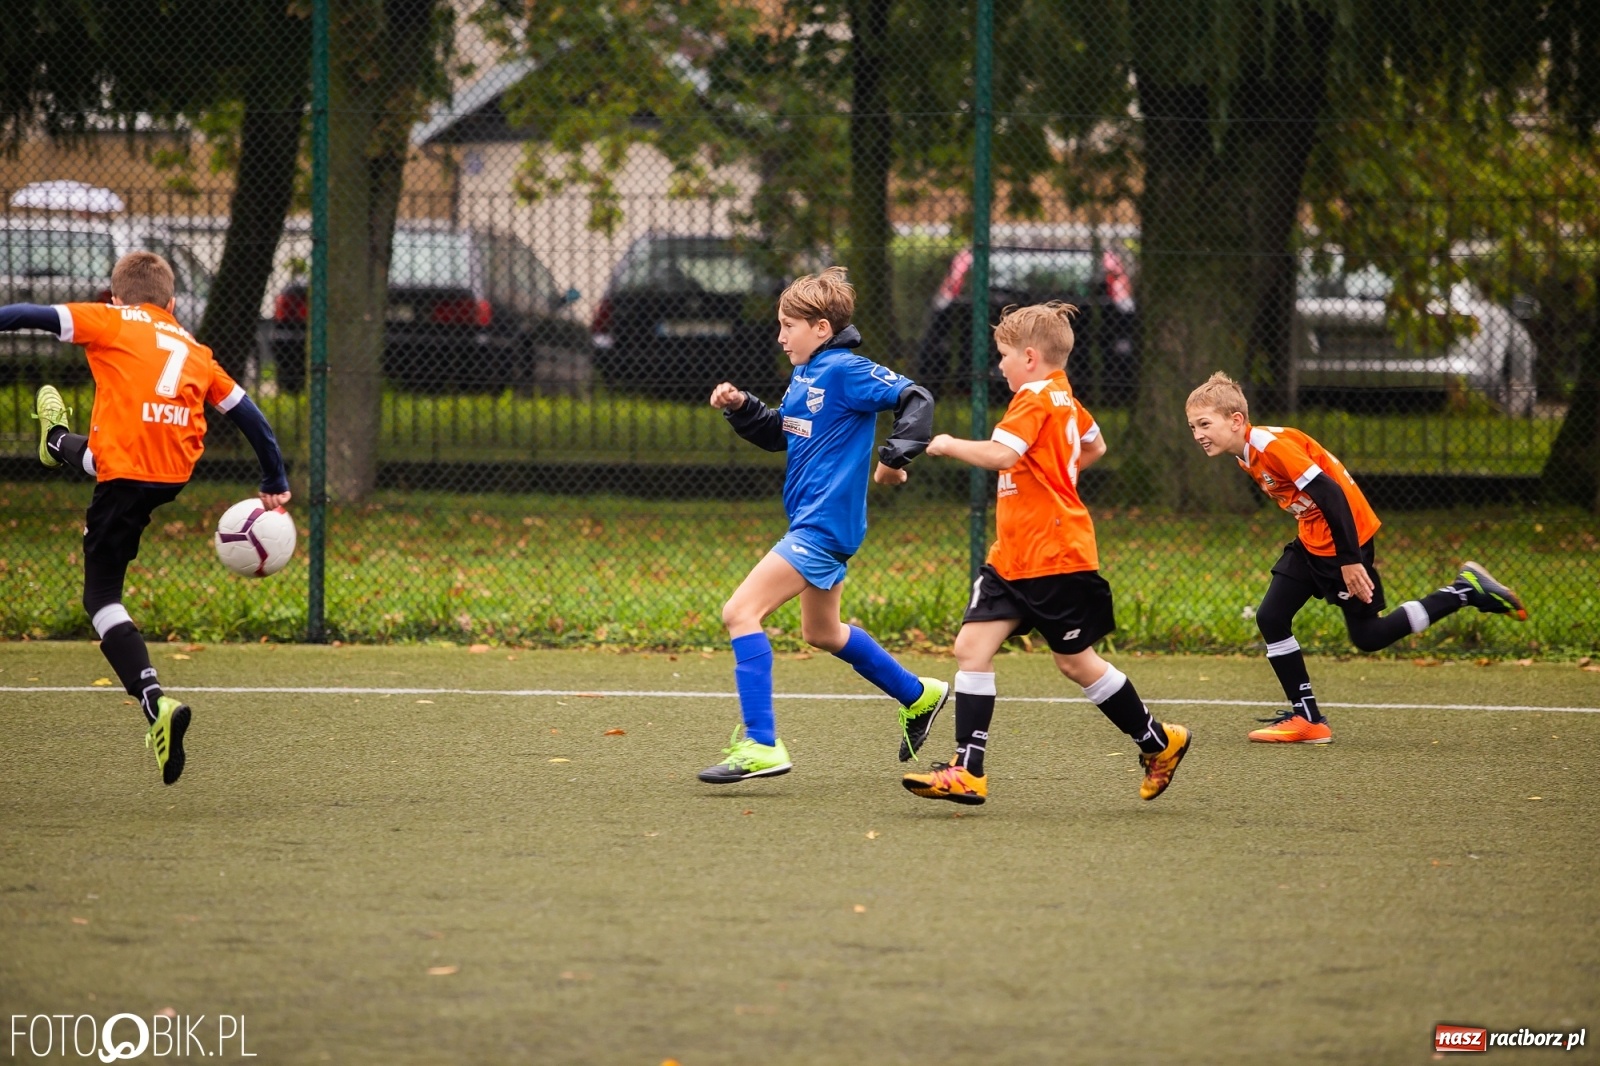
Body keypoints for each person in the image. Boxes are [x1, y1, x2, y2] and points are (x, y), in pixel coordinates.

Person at [0, 251, 290, 784]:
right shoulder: (196, 349)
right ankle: (57, 441)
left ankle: (155, 702)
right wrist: (274, 479)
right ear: (173, 303)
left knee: (101, 598)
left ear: (116, 298)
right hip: (172, 472)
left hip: (127, 472)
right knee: (112, 453)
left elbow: (28, 313)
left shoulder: (107, 318)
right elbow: (250, 416)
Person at [904, 303, 1191, 806]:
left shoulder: (1034, 399)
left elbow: (1002, 456)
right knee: (972, 648)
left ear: (1030, 357)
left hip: (1053, 555)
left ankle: (1158, 742)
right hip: (1013, 557)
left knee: (1076, 663)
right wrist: (1057, 473)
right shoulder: (1066, 398)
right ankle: (968, 769)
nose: (999, 366)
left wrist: (947, 444)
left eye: (1004, 356)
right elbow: (1094, 447)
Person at [700, 266, 948, 783]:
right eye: (780, 324)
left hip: (821, 527)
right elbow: (781, 435)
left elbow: (915, 397)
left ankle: (762, 743)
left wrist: (894, 457)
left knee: (740, 611)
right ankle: (916, 693)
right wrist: (743, 406)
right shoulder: (807, 375)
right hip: (819, 527)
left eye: (788, 325)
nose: (780, 335)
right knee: (823, 632)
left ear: (821, 328)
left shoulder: (843, 370)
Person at [1185, 371, 1527, 744]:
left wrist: (1351, 561)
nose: (1198, 434)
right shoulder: (1247, 452)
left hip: (1342, 544)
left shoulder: (1269, 446)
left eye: (1204, 424)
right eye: (1192, 426)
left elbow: (1332, 494)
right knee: (1272, 617)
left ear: (1236, 420)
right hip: (1315, 540)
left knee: (1369, 635)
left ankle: (1463, 592)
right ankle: (1308, 718)